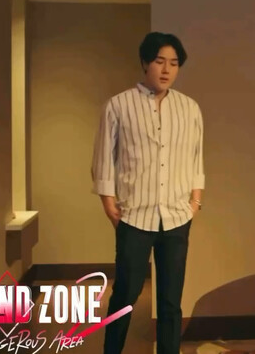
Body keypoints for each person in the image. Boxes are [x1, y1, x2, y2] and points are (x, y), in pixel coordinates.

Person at [91, 32, 205, 354]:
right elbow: (103, 159)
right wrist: (109, 204)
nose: (166, 70)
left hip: (177, 218)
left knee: (170, 302)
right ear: (145, 62)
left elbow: (196, 159)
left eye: (174, 63)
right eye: (159, 61)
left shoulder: (189, 108)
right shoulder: (118, 105)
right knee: (125, 296)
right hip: (134, 217)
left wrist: (194, 202)